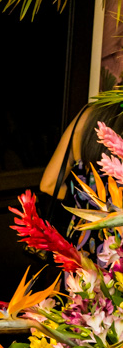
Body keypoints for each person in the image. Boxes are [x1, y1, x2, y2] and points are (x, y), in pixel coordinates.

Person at [40, 102, 123, 252]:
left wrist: (84, 202)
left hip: (79, 252)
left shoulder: (87, 114)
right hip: (115, 252)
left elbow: (49, 184)